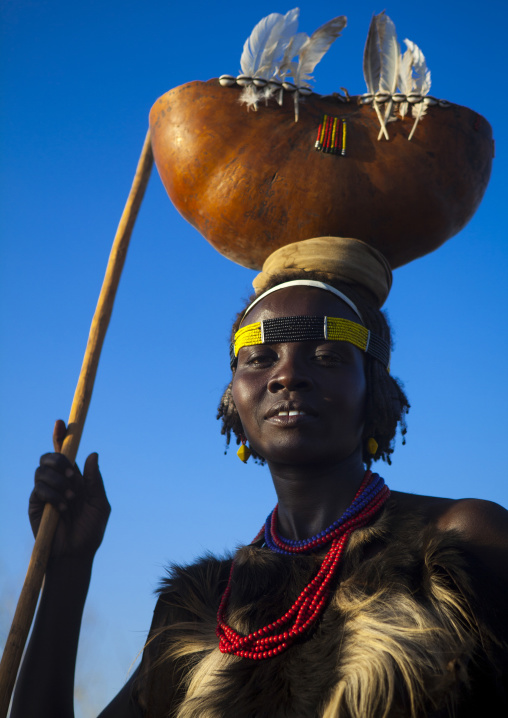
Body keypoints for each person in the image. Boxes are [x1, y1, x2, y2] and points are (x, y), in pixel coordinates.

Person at [11, 240, 508, 717]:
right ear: (234, 398)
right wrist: (68, 569)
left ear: (374, 388)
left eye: (327, 355)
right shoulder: (199, 608)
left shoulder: (456, 544)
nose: (286, 375)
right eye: (260, 357)